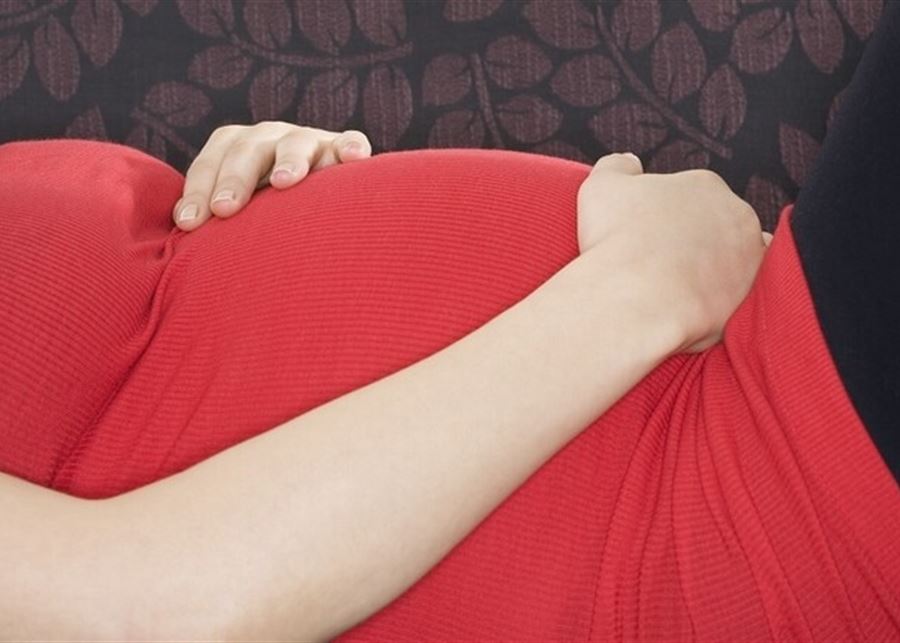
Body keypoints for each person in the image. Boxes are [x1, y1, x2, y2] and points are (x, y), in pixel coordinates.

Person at [2, 6, 898, 642]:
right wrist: (646, 285)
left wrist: (250, 224)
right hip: (719, 517)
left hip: (741, 392)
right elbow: (155, 611)